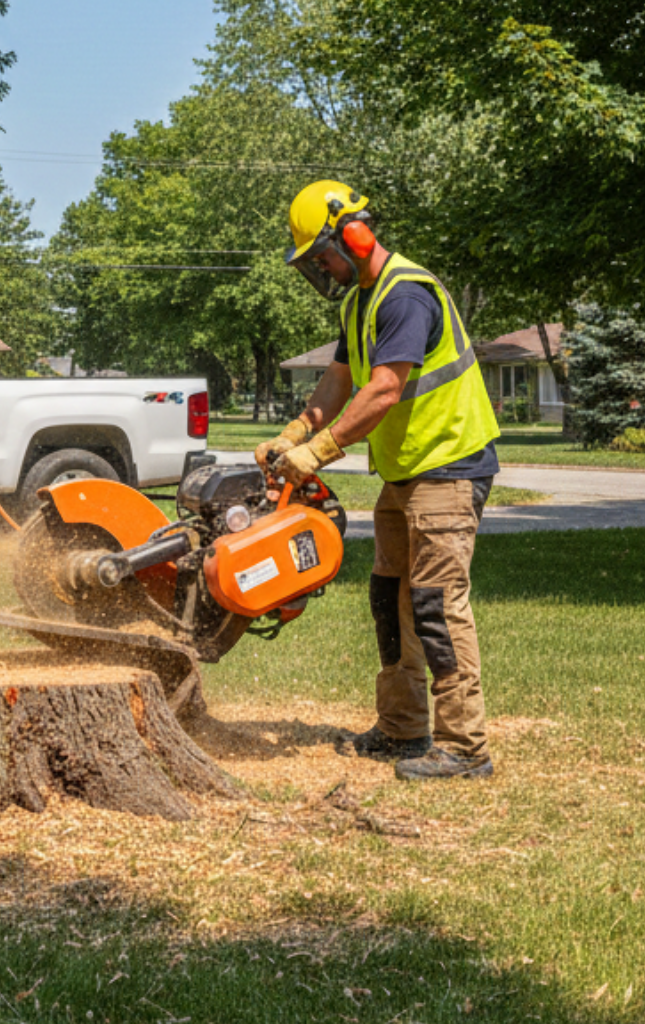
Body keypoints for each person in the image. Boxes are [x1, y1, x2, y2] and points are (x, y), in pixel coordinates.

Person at [257, 181, 501, 781]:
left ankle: (465, 748)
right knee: (390, 599)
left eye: (321, 255)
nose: (320, 268)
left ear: (353, 235)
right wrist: (295, 433)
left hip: (448, 466)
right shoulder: (358, 303)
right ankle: (402, 728)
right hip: (404, 472)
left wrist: (322, 450)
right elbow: (339, 382)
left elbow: (385, 388)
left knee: (436, 605)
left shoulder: (406, 294)